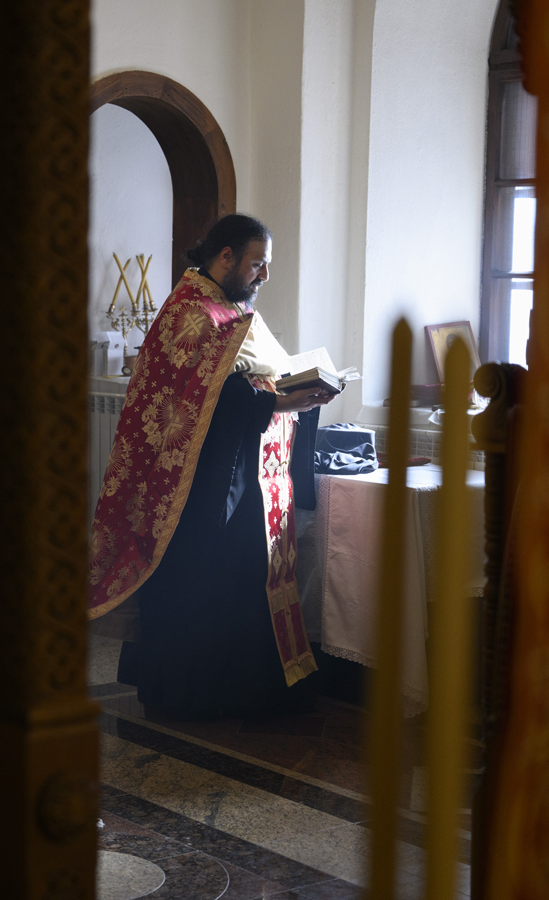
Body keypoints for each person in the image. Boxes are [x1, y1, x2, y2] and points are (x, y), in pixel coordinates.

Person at [88, 214, 338, 719]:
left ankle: (236, 692)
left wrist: (296, 392)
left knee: (240, 579)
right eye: (257, 264)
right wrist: (280, 402)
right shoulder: (192, 312)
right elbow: (208, 398)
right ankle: (191, 696)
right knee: (199, 581)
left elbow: (252, 379)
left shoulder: (231, 308)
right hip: (193, 486)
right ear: (226, 257)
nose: (264, 275)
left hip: (238, 473)